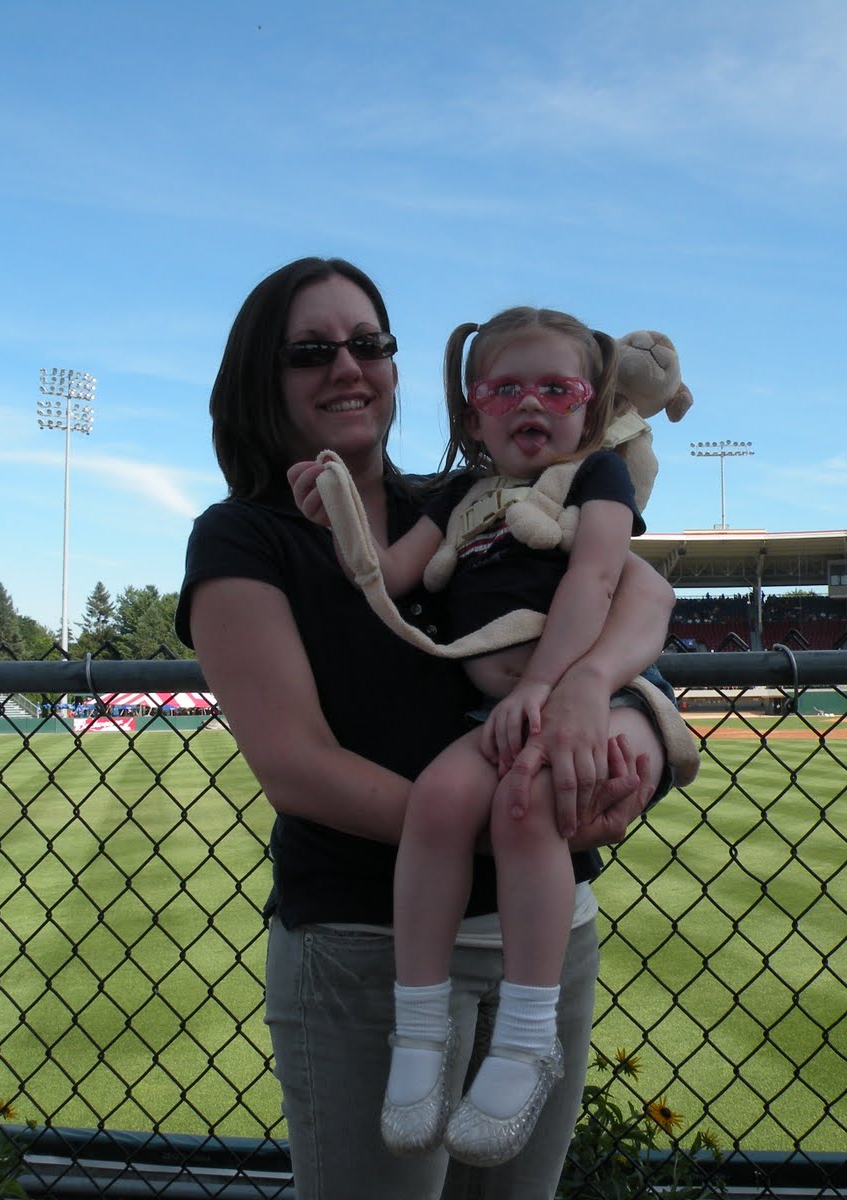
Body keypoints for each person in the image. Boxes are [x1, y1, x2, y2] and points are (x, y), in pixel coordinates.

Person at [176, 258, 679, 1200]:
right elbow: (298, 767)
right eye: (310, 350)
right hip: (368, 941)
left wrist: (608, 714)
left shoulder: (472, 494)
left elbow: (639, 595)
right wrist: (520, 820)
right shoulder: (244, 537)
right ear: (260, 376)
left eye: (369, 343)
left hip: (544, 936)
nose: (348, 366)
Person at [288, 307, 667, 1166]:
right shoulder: (461, 496)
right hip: (494, 711)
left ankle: (528, 1036)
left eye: (557, 389)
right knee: (437, 802)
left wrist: (546, 688)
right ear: (472, 417)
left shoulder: (596, 474)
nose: (530, 403)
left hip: (566, 692)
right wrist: (336, 511)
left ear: (591, 405)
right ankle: (419, 1030)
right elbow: (390, 573)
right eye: (504, 390)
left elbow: (597, 578)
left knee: (526, 808)